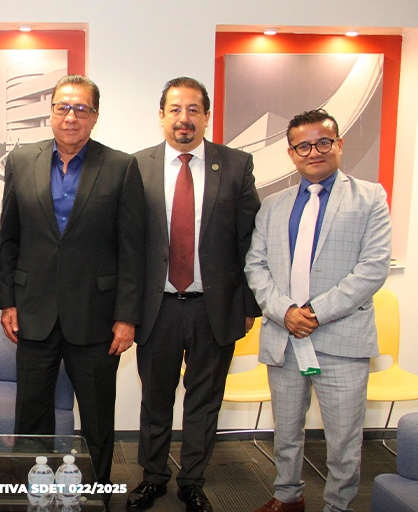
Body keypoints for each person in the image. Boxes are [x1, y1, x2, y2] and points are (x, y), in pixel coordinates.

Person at [0, 74, 146, 488]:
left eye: (81, 108)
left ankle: (97, 491)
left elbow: (132, 250)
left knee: (97, 418)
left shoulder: (120, 167)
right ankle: (32, 488)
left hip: (97, 316)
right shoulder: (21, 160)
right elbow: (9, 239)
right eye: (62, 107)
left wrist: (127, 317)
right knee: (31, 416)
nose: (70, 116)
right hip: (34, 313)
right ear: (51, 112)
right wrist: (8, 301)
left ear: (95, 116)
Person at [245, 109, 391, 512]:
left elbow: (373, 267)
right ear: (291, 153)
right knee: (286, 430)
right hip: (285, 335)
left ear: (339, 145)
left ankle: (338, 505)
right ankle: (288, 495)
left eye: (323, 142)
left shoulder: (370, 197)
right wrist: (285, 312)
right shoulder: (272, 205)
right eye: (303, 146)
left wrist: (313, 313)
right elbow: (255, 266)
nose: (314, 152)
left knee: (344, 437)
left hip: (340, 338)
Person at [126, 76, 261, 512]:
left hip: (213, 307)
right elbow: (127, 245)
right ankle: (152, 478)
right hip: (157, 308)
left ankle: (193, 482)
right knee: (155, 400)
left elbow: (250, 241)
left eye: (193, 110)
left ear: (206, 116)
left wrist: (248, 305)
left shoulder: (236, 165)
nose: (183, 118)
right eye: (175, 109)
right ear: (161, 115)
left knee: (204, 402)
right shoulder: (137, 166)